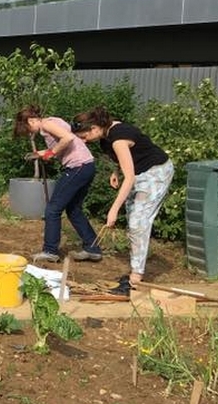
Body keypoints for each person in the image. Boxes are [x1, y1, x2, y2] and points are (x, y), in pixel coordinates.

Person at [71, 106, 173, 295]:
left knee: (137, 222)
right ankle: (136, 268)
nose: (83, 141)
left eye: (84, 137)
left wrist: (113, 210)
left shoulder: (118, 137)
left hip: (156, 172)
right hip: (139, 172)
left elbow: (130, 177)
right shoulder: (105, 136)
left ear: (94, 128)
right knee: (133, 218)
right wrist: (116, 170)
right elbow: (127, 158)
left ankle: (136, 277)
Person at [13, 105, 100, 264]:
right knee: (73, 209)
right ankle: (92, 248)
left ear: (32, 120)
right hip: (87, 165)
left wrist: (51, 153)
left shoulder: (46, 124)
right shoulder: (54, 120)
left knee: (53, 208)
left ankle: (50, 251)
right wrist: (41, 153)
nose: (30, 132)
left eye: (28, 128)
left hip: (77, 166)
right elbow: (63, 140)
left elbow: (69, 138)